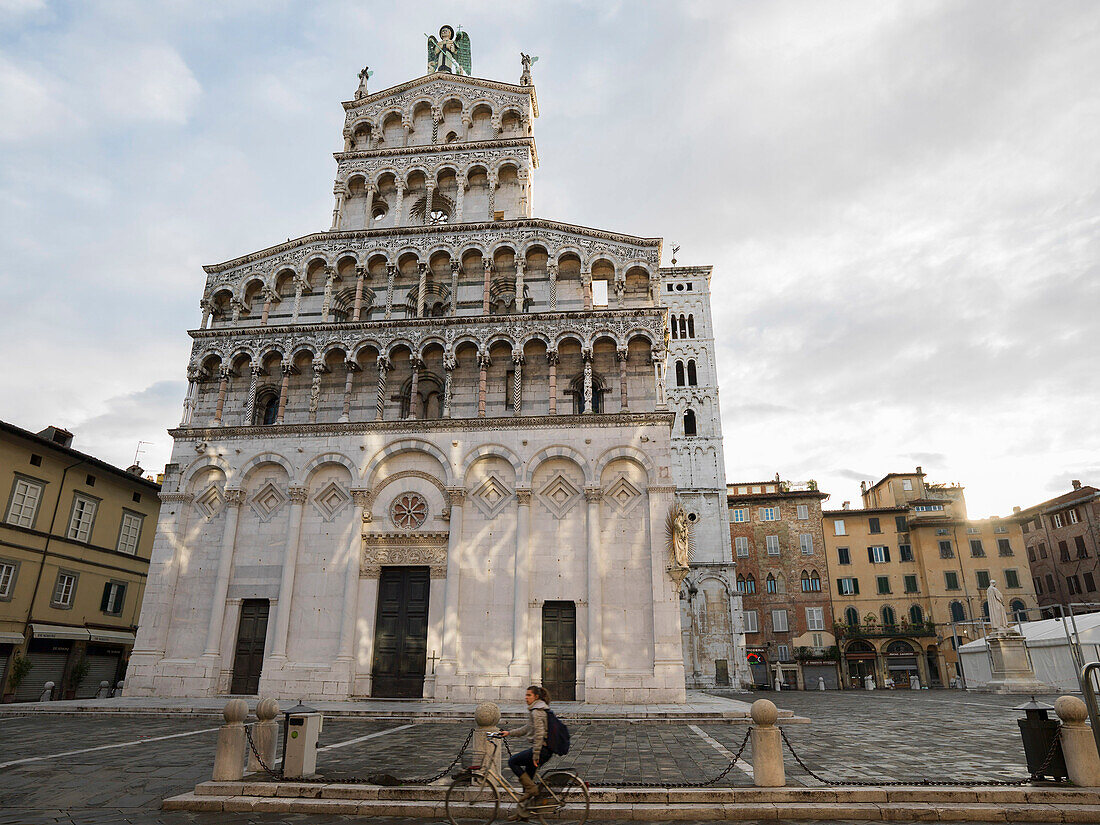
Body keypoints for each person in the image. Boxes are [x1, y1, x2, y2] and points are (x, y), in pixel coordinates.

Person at [501, 685, 553, 803]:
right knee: (527, 782)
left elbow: (539, 734)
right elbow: (527, 728)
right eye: (526, 695)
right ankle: (523, 813)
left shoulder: (537, 712)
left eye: (529, 695)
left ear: (536, 696)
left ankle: (532, 790)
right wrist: (509, 733)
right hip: (543, 750)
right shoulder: (539, 709)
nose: (526, 698)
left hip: (541, 751)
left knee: (513, 761)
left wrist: (535, 755)